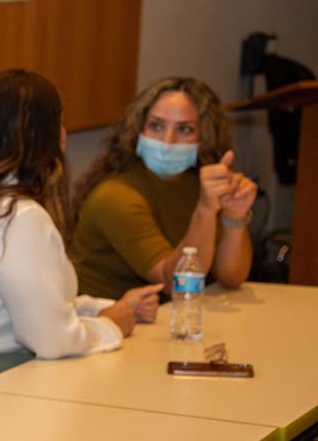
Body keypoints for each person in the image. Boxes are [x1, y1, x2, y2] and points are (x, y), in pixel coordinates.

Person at [0, 70, 162, 404]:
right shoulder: (19, 217)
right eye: (61, 125)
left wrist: (108, 308)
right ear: (46, 137)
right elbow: (51, 340)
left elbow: (23, 306)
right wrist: (111, 324)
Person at [69, 77, 256, 300]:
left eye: (184, 129)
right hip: (107, 324)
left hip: (164, 317)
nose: (167, 141)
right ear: (137, 130)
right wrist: (205, 210)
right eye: (156, 126)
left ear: (205, 138)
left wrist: (234, 215)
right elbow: (177, 284)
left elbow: (231, 277)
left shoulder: (196, 183)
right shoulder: (114, 196)